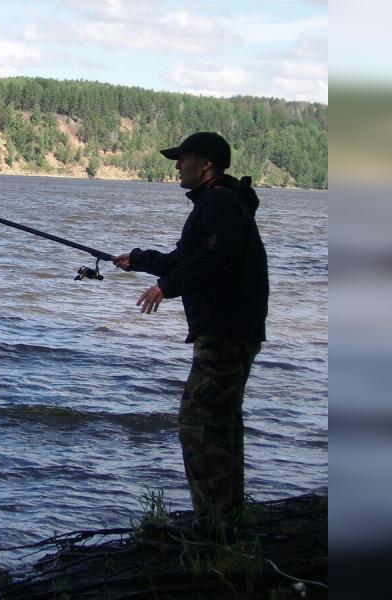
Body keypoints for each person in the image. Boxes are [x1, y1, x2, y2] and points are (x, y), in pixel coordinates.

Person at [114, 131, 270, 530]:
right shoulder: (220, 203)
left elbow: (216, 263)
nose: (177, 166)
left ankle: (212, 524)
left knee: (198, 422)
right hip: (233, 329)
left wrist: (166, 287)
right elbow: (189, 259)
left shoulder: (218, 203)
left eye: (183, 159)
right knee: (221, 421)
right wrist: (141, 259)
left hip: (225, 331)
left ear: (206, 165)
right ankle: (226, 516)